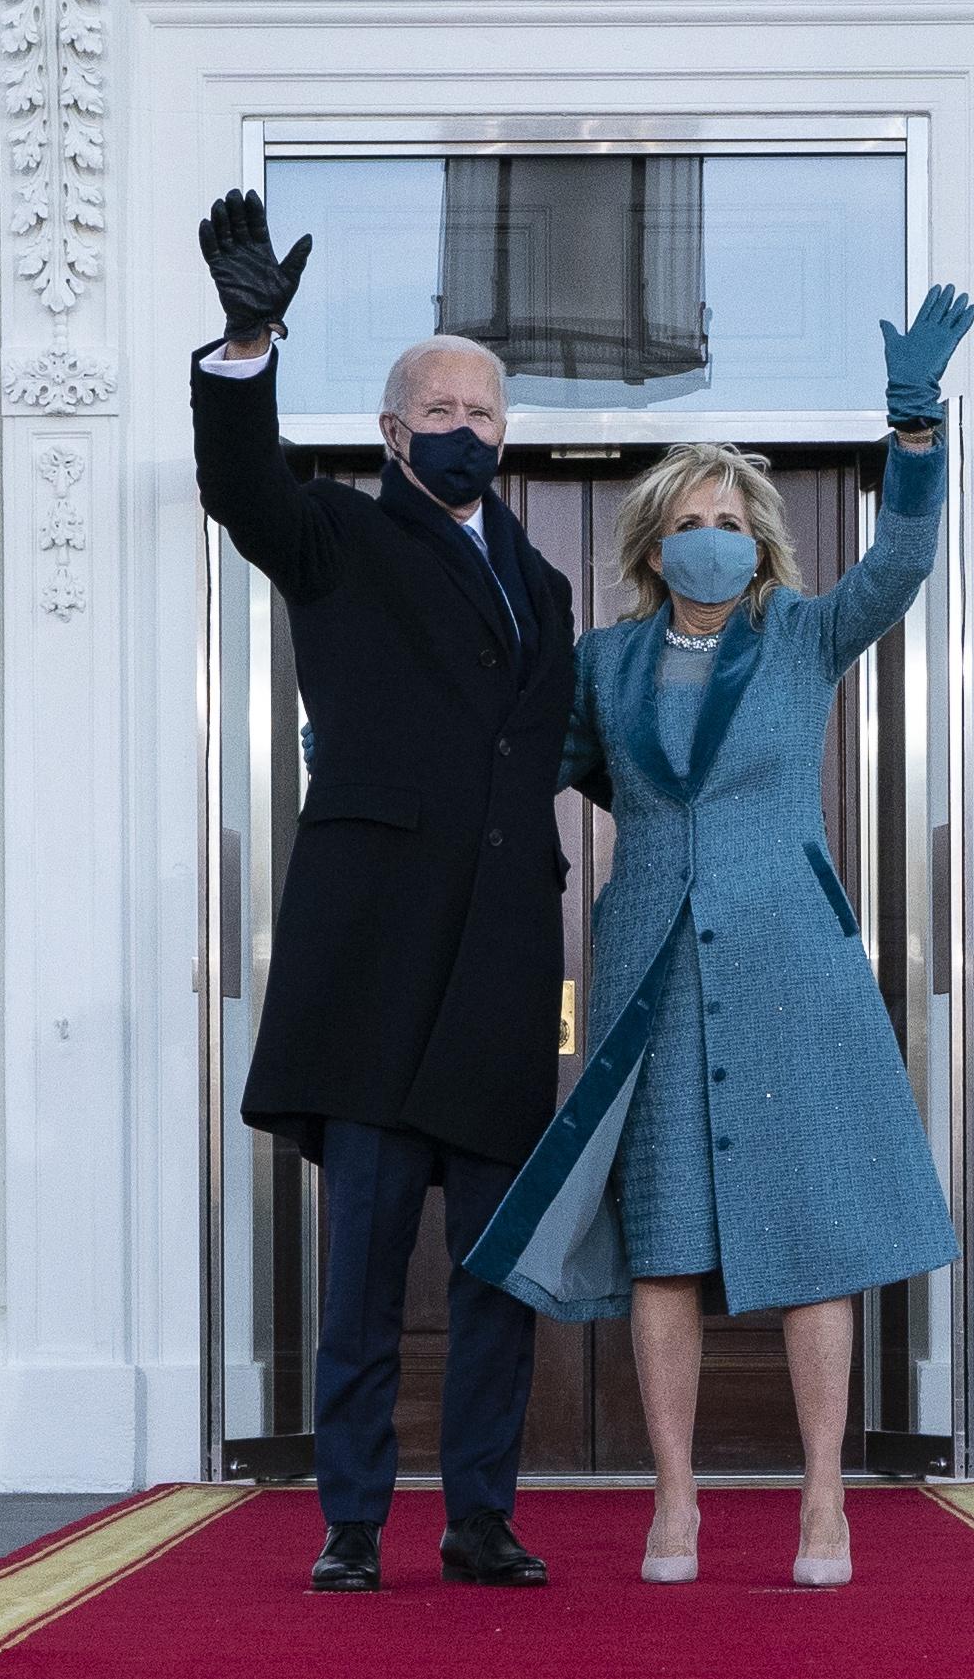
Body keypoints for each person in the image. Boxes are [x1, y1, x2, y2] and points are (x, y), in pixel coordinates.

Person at [468, 284, 974, 1589]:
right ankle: (676, 1502)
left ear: (760, 539)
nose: (709, 536)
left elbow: (903, 564)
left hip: (789, 966)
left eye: (728, 519)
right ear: (654, 545)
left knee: (810, 1234)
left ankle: (821, 1500)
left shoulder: (803, 636)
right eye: (687, 522)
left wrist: (912, 431)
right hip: (647, 972)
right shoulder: (605, 661)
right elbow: (563, 766)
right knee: (667, 1243)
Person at [189, 188, 580, 1593]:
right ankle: (352, 1522)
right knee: (357, 1283)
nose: (467, 422)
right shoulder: (339, 539)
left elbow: (565, 748)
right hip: (370, 977)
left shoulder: (542, 583)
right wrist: (247, 346)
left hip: (494, 984)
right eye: (440, 404)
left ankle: (479, 1513)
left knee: (496, 1281)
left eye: (486, 405)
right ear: (394, 431)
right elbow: (242, 487)